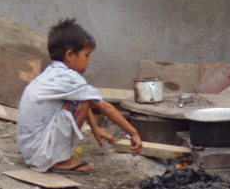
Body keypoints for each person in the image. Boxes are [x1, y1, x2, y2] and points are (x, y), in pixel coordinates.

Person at [16, 18, 142, 173]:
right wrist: (133, 132)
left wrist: (95, 128)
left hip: (31, 150)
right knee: (83, 102)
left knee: (82, 100)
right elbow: (105, 107)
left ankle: (57, 157)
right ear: (70, 55)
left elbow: (83, 98)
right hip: (41, 153)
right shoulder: (69, 78)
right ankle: (61, 161)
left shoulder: (52, 72)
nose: (88, 61)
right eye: (86, 55)